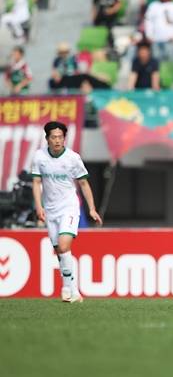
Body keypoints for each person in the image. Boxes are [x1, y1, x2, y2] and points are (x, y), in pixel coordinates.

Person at [31, 122, 103, 303]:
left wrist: (92, 208)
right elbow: (36, 183)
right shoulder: (39, 157)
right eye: (53, 137)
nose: (57, 140)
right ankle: (71, 289)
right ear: (47, 138)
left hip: (69, 207)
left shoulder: (73, 158)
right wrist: (39, 207)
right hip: (50, 209)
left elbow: (84, 183)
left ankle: (70, 289)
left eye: (60, 137)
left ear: (64, 138)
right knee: (59, 250)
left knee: (64, 245)